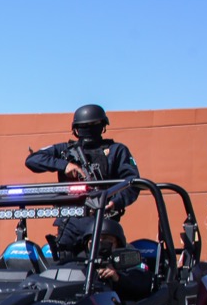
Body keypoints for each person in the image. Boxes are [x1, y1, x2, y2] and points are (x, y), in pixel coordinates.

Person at [26, 104, 141, 256]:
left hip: (102, 219)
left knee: (101, 266)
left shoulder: (116, 150)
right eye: (84, 126)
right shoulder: (65, 150)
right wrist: (64, 165)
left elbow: (133, 182)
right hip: (70, 222)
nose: (89, 130)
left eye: (93, 125)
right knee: (65, 267)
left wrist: (115, 202)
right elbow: (32, 160)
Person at [83, 221, 153, 302]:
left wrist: (117, 277)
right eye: (95, 239)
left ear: (117, 243)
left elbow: (142, 282)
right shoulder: (81, 259)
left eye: (106, 239)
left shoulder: (126, 257)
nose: (100, 244)